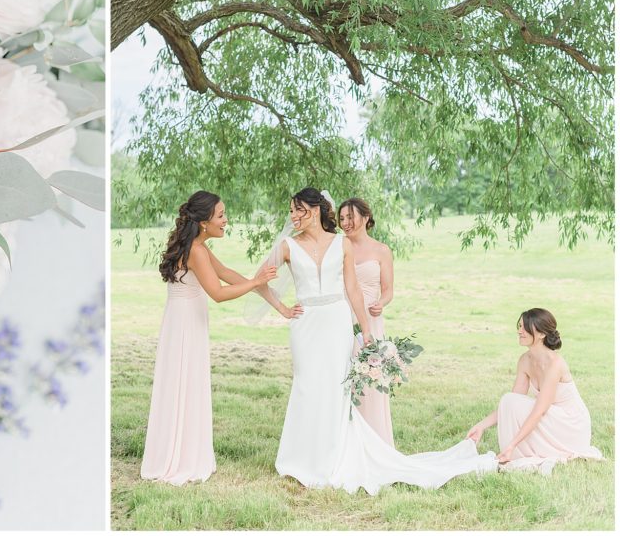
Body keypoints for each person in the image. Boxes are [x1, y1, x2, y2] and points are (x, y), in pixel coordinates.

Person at [256, 187, 497, 494]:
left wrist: (367, 331)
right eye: (290, 211)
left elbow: (354, 290)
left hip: (336, 322)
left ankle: (334, 456)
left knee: (335, 388)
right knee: (306, 385)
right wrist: (283, 309)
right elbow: (259, 281)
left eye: (297, 210)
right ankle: (300, 459)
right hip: (304, 325)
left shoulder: (341, 244)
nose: (292, 217)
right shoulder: (288, 246)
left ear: (315, 210)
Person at [140, 191, 275, 485]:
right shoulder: (196, 251)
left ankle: (181, 450)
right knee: (184, 382)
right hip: (186, 325)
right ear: (204, 222)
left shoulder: (197, 245)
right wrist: (255, 282)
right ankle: (182, 459)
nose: (226, 221)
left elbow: (225, 273)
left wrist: (268, 296)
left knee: (183, 384)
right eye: (221, 215)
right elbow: (218, 293)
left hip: (182, 322)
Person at [466, 308, 603, 474]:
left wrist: (512, 445)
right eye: (519, 326)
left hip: (570, 424)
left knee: (513, 402)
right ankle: (517, 451)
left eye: (524, 328)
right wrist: (481, 426)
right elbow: (510, 404)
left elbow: (540, 411)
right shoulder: (525, 360)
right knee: (509, 400)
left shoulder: (555, 363)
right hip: (551, 417)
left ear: (541, 334)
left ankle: (515, 451)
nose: (519, 331)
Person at [339, 197, 395, 446]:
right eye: (341, 219)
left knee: (370, 377)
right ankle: (346, 439)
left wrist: (381, 303)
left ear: (365, 217)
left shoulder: (382, 251)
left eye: (350, 217)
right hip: (343, 315)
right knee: (344, 375)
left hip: (371, 319)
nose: (345, 223)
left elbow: (388, 289)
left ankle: (374, 439)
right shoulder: (339, 247)